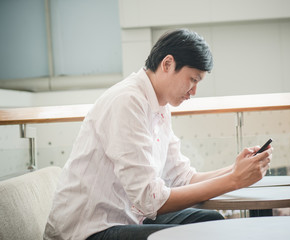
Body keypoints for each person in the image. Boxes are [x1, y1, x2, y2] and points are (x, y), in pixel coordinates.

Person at [43, 28, 272, 240]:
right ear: (167, 63)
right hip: (87, 229)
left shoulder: (159, 107)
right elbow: (150, 199)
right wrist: (234, 180)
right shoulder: (128, 101)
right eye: (192, 80)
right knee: (199, 235)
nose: (194, 91)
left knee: (210, 221)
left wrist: (235, 169)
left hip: (127, 217)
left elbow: (181, 177)